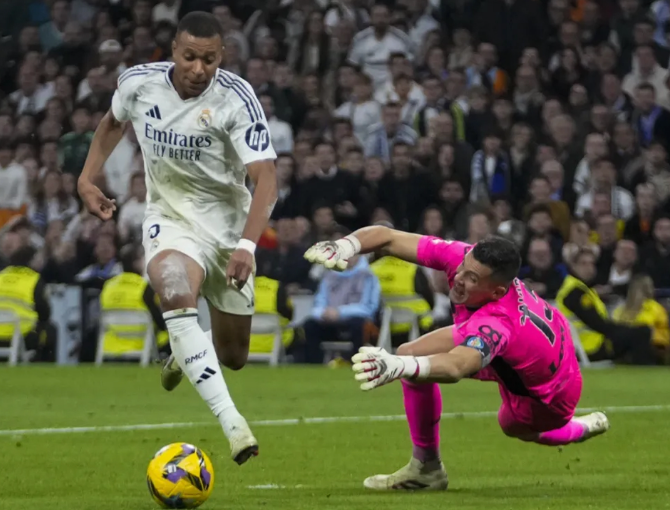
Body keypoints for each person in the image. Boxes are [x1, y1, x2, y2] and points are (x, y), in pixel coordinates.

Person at [77, 12, 278, 465]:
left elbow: (266, 180)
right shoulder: (138, 83)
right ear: (173, 51)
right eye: (189, 57)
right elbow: (112, 122)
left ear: (220, 57)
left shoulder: (237, 98)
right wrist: (87, 178)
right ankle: (233, 424)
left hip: (228, 229)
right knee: (172, 288)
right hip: (169, 218)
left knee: (233, 355)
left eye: (208, 59)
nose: (198, 69)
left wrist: (247, 245)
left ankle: (185, 351)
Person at [304, 227, 609, 490]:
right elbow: (388, 237)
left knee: (511, 424)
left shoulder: (498, 322)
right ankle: (427, 468)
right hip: (531, 347)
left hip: (548, 393)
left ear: (496, 291)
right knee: (410, 353)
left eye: (472, 278)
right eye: (463, 267)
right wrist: (344, 246)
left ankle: (578, 427)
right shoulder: (466, 260)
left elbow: (456, 366)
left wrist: (399, 368)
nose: (458, 278)